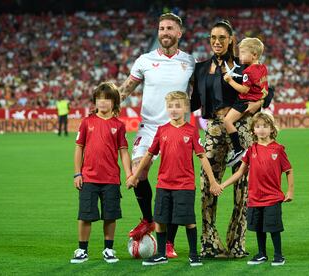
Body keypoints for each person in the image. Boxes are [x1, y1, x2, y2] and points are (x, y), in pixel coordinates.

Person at [190, 20, 272, 258]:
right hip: (214, 128)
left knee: (243, 187)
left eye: (222, 38)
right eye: (213, 37)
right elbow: (195, 101)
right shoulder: (201, 68)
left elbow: (264, 93)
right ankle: (209, 244)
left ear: (231, 40)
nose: (216, 42)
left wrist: (259, 102)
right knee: (207, 186)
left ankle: (237, 244)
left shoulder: (244, 65)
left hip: (243, 126)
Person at [119, 12, 195, 258]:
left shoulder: (190, 62)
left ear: (179, 33)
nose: (164, 32)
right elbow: (125, 89)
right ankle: (149, 220)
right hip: (150, 126)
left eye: (170, 28)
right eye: (161, 28)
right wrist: (106, 104)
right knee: (138, 172)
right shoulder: (144, 60)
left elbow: (199, 93)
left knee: (172, 183)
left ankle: (169, 242)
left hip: (176, 128)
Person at [126, 91, 219, 266]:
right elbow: (148, 155)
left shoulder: (191, 131)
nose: (174, 110)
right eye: (170, 106)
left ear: (185, 108)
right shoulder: (162, 130)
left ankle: (193, 254)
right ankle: (161, 254)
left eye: (178, 106)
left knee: (188, 221)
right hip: (164, 184)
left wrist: (213, 181)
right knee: (160, 221)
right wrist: (134, 176)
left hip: (184, 185)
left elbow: (202, 156)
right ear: (166, 109)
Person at [217, 112, 294, 266]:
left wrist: (290, 191)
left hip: (273, 197)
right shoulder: (251, 150)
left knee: (273, 227)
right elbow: (240, 172)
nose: (262, 129)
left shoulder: (278, 149)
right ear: (253, 130)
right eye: (258, 126)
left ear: (272, 129)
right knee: (259, 227)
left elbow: (289, 170)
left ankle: (278, 255)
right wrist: (223, 185)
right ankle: (261, 254)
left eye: (265, 126)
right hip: (255, 197)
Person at [70, 82, 132, 264]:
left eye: (107, 99)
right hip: (88, 177)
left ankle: (108, 249)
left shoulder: (119, 126)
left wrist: (129, 174)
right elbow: (78, 148)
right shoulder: (86, 122)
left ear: (114, 102)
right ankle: (82, 250)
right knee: (85, 215)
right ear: (95, 101)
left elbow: (123, 151)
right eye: (99, 99)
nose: (103, 103)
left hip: (111, 179)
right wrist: (77, 173)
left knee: (110, 215)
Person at [223, 37, 269, 166]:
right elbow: (264, 88)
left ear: (254, 55)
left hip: (244, 102)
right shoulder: (263, 68)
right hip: (256, 102)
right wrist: (260, 100)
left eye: (243, 52)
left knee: (227, 121)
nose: (240, 55)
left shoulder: (248, 71)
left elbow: (244, 90)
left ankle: (238, 149)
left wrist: (229, 80)